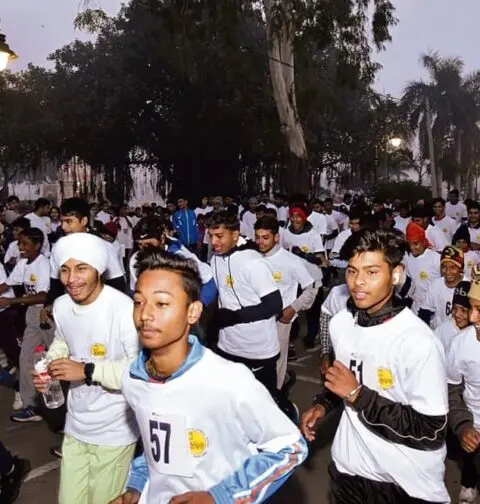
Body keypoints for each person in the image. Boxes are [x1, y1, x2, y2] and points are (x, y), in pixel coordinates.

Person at [112, 249, 307, 504]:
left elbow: (290, 447)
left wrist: (220, 496)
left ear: (193, 312)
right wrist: (136, 486)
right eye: (139, 302)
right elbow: (155, 445)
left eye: (161, 303)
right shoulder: (133, 380)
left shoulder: (228, 380)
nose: (145, 314)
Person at [301, 229, 449, 503]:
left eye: (371, 272)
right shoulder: (340, 324)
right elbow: (347, 378)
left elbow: (432, 430)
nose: (358, 282)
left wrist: (358, 395)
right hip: (349, 470)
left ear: (396, 274)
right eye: (352, 271)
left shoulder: (418, 342)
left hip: (404, 483)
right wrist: (323, 404)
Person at [33, 232, 139, 504]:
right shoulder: (61, 306)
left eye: (81, 268)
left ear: (98, 269)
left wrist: (86, 371)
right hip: (76, 424)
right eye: (65, 270)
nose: (71, 279)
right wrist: (49, 365)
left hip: (115, 431)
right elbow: (62, 341)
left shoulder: (123, 309)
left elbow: (139, 371)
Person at [254, 215, 316, 388]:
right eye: (257, 237)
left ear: (276, 237)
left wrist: (293, 308)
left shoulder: (292, 261)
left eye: (265, 238)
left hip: (280, 322)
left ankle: (277, 395)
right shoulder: (251, 258)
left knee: (276, 364)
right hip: (254, 321)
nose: (260, 242)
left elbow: (312, 288)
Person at [5, 228, 53, 422]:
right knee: (25, 359)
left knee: (56, 358)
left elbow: (42, 296)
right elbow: (8, 283)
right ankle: (30, 406)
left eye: (25, 244)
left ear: (37, 245)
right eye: (19, 244)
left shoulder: (44, 265)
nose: (21, 248)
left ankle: (63, 406)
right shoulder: (23, 263)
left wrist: (11, 301)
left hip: (48, 315)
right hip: (32, 315)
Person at [447, 267, 480, 503]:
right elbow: (452, 390)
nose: (472, 317)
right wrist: (463, 426)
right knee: (471, 462)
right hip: (474, 426)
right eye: (472, 308)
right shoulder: (460, 344)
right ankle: (469, 483)